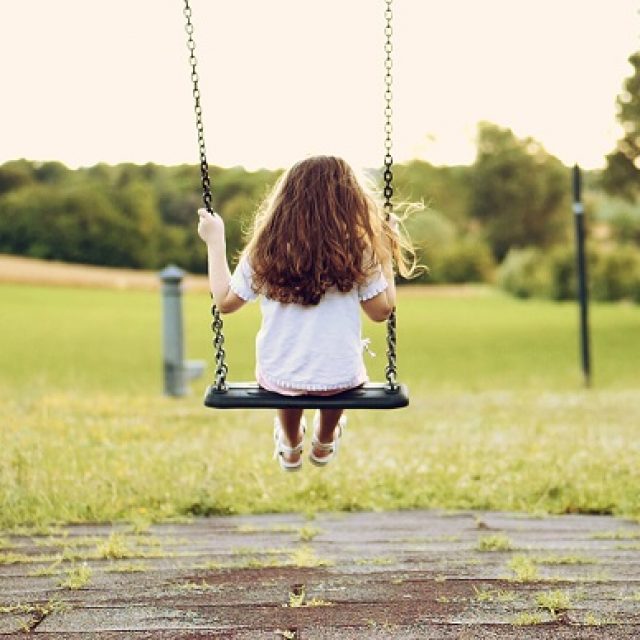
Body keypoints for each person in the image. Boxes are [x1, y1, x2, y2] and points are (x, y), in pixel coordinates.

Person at [197, 155, 420, 472]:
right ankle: (325, 438)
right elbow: (382, 311)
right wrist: (384, 250)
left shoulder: (266, 249)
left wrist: (214, 241)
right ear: (349, 202)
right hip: (339, 378)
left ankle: (290, 442)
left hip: (279, 375)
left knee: (286, 385)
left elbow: (225, 302)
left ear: (285, 200)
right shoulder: (358, 249)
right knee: (338, 379)